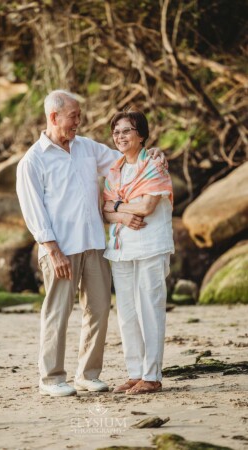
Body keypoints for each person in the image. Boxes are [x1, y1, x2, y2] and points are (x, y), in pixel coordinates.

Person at [16, 90, 165, 397]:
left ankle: (88, 373)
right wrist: (51, 249)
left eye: (79, 116)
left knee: (98, 309)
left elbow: (127, 161)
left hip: (95, 244)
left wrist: (155, 155)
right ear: (54, 117)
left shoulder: (86, 147)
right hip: (60, 248)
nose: (79, 122)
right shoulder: (33, 160)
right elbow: (34, 210)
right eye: (74, 116)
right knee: (57, 311)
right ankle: (52, 378)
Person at [103, 107, 174, 395]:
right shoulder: (115, 169)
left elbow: (147, 207)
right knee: (127, 312)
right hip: (120, 247)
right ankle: (135, 373)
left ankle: (152, 375)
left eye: (127, 130)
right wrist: (120, 212)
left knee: (150, 309)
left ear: (141, 135)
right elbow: (105, 209)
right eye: (116, 131)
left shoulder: (154, 165)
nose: (120, 136)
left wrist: (118, 205)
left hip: (150, 245)